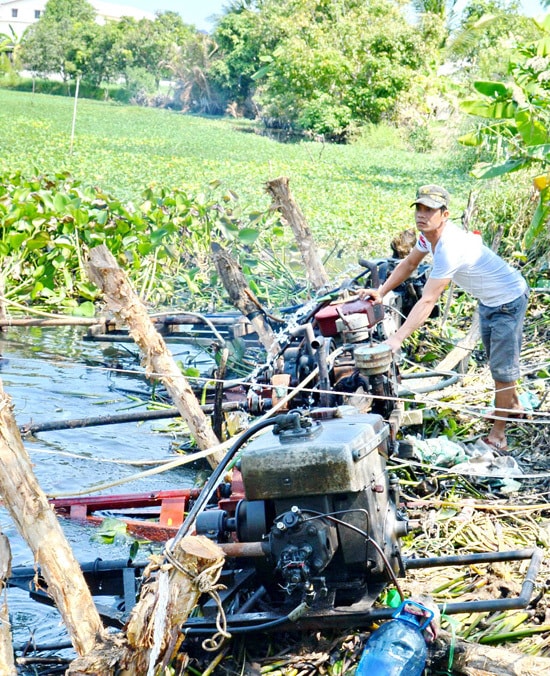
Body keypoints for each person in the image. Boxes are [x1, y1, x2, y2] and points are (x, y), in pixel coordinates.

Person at [358, 184, 529, 453]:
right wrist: (381, 292)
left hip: (508, 301)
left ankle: (499, 434)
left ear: (445, 214)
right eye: (419, 208)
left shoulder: (451, 246)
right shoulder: (428, 238)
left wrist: (397, 339)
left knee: (502, 371)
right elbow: (409, 264)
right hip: (488, 301)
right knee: (497, 361)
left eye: (430, 210)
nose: (421, 215)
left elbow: (429, 299)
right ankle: (514, 405)